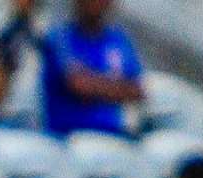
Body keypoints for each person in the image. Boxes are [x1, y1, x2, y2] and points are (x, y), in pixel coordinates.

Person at [41, 0, 142, 137]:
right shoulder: (60, 37)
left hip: (112, 137)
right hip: (68, 138)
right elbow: (78, 84)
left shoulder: (118, 40)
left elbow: (137, 91)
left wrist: (93, 83)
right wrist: (117, 87)